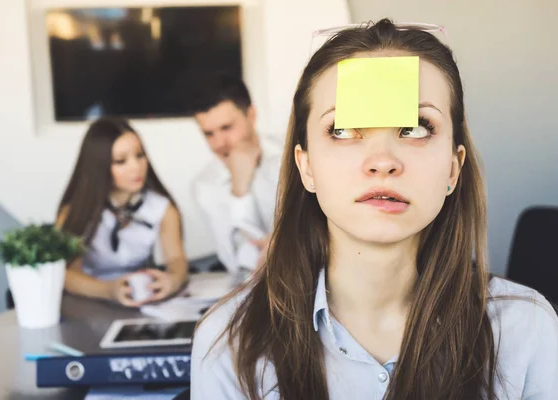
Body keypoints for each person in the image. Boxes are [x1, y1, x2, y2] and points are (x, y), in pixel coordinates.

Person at [190, 19, 558, 399]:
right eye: (343, 130)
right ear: (306, 167)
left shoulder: (527, 331)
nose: (382, 161)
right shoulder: (228, 341)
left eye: (415, 128)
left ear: (453, 168)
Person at [56, 117, 188, 307]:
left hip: (141, 301)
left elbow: (176, 258)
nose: (136, 167)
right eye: (121, 161)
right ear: (99, 167)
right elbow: (66, 274)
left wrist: (173, 280)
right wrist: (109, 290)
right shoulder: (75, 212)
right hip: (89, 303)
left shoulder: (162, 208)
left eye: (140, 155)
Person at [187, 74, 282, 273]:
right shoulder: (205, 185)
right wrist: (240, 188)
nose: (219, 143)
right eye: (208, 134)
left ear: (252, 116)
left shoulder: (291, 153)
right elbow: (238, 263)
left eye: (226, 128)